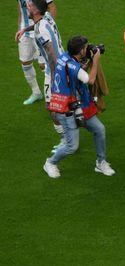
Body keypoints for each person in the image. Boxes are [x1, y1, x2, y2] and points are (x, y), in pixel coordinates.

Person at [43, 36, 115, 178]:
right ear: (80, 51)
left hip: (77, 104)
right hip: (67, 110)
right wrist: (95, 60)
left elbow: (74, 72)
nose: (87, 49)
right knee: (71, 146)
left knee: (99, 129)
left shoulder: (64, 57)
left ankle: (101, 162)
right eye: (85, 47)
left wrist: (86, 61)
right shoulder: (73, 66)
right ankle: (50, 163)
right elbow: (90, 79)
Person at [26, 0, 65, 152]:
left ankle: (66, 140)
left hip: (55, 70)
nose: (28, 7)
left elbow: (51, 54)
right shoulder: (47, 16)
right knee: (62, 104)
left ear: (36, 11)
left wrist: (54, 79)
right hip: (63, 64)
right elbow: (38, 25)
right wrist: (24, 30)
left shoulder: (41, 31)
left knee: (52, 107)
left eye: (31, 6)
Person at [16, 0, 56, 105]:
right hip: (24, 31)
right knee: (25, 62)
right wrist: (19, 28)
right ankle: (36, 92)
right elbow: (20, 7)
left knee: (44, 65)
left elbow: (52, 7)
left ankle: (55, 94)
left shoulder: (43, 28)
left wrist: (49, 27)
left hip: (39, 31)